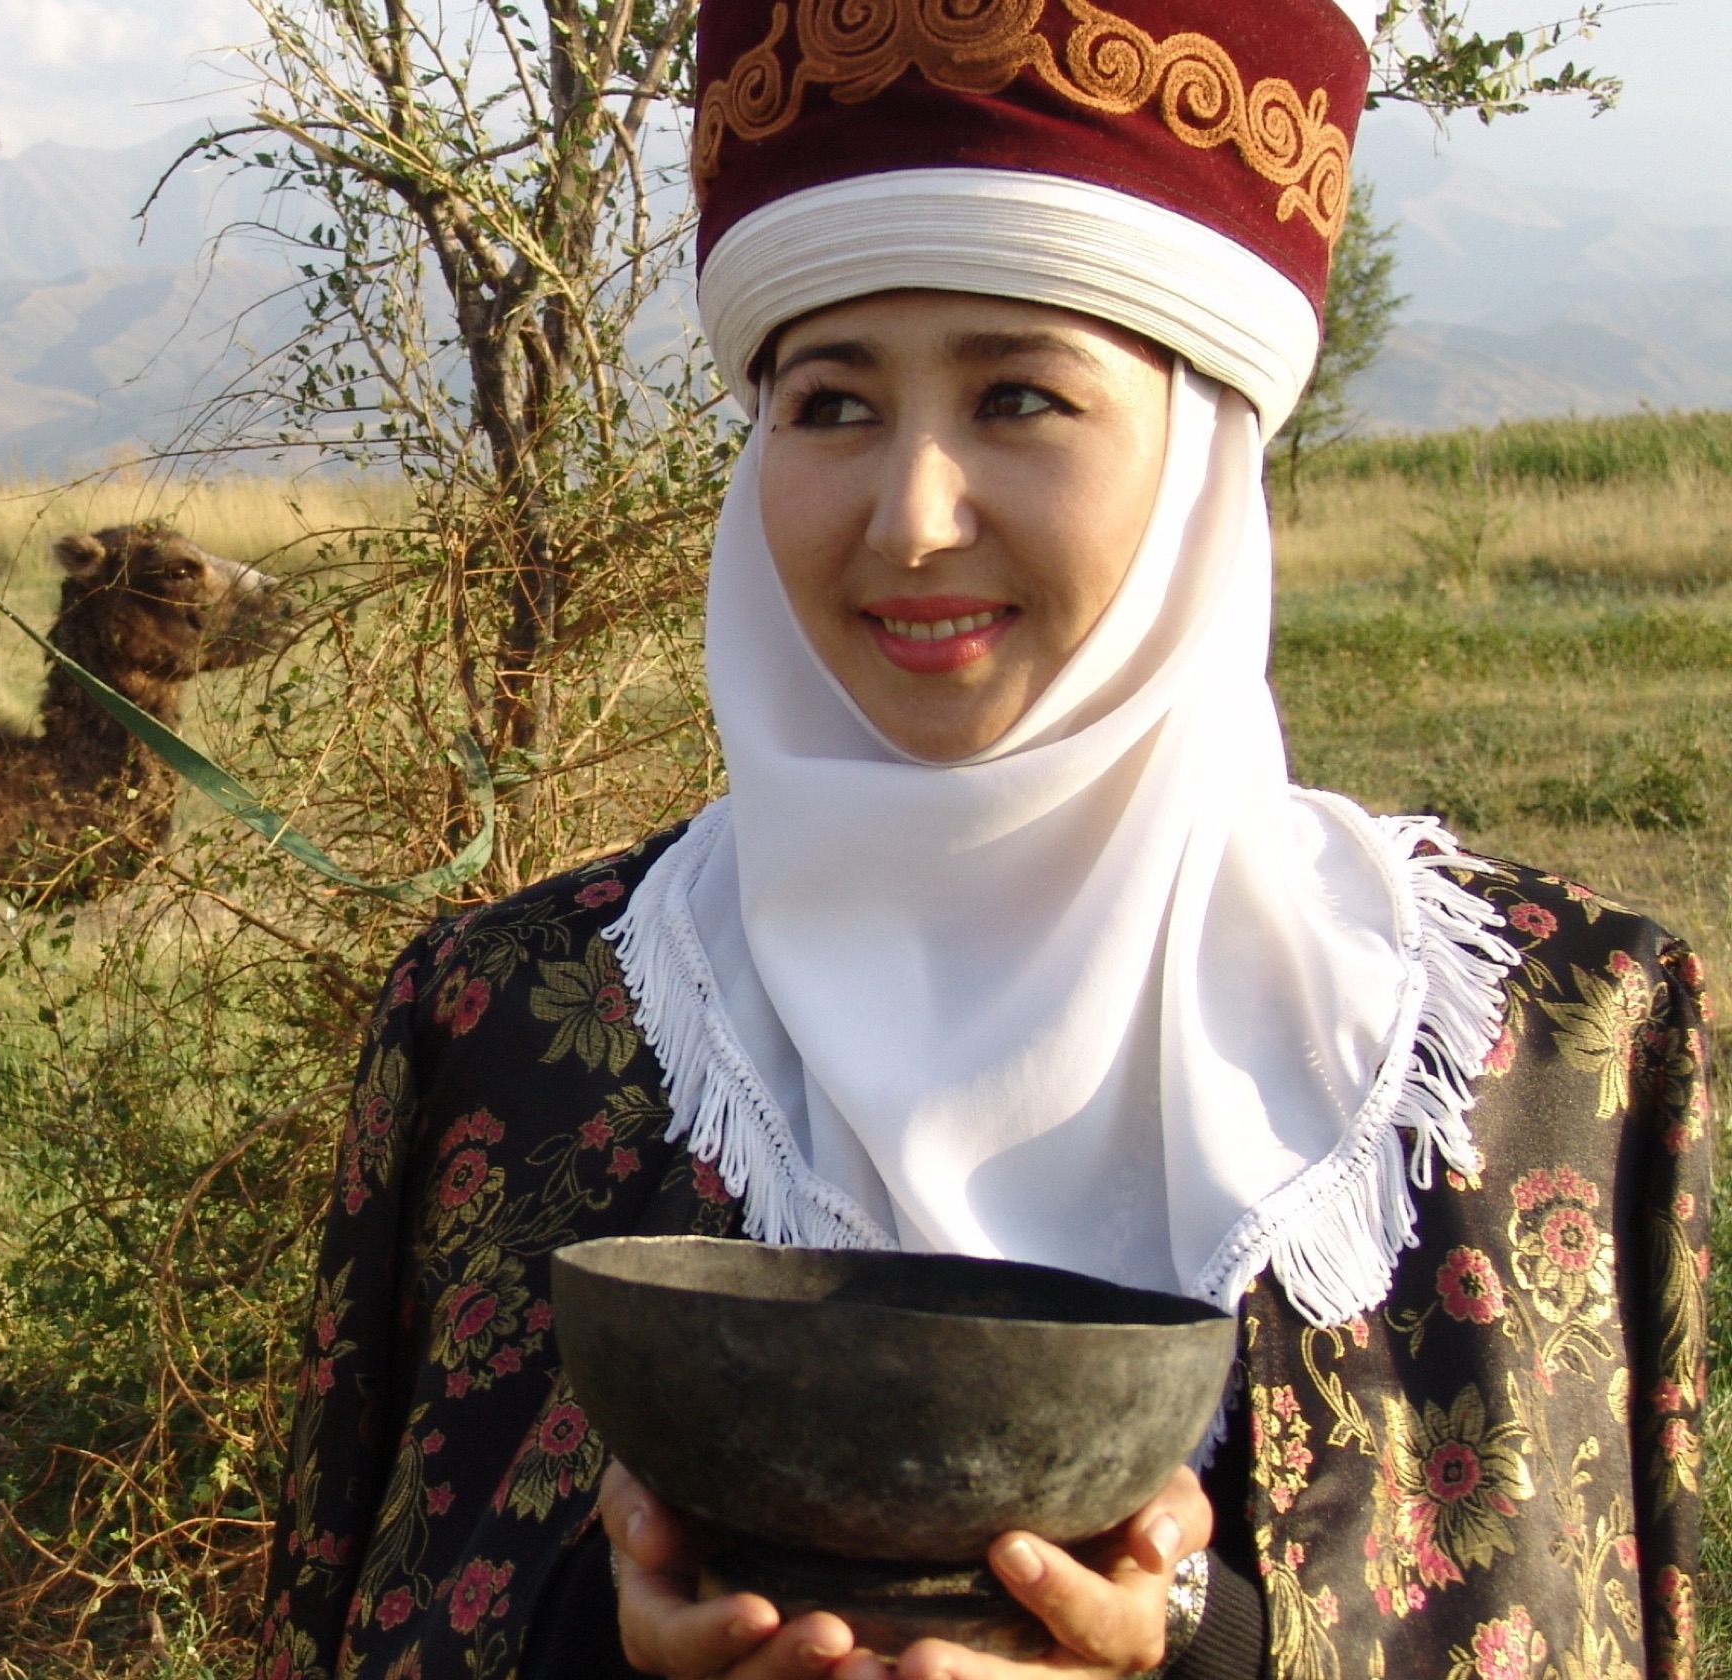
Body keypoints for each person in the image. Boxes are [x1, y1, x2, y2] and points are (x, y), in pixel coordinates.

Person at [255, 2, 1713, 1677]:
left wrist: (1198, 1644)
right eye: (830, 405)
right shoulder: (511, 1025)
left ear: (1203, 454)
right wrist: (620, 1634)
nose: (913, 516)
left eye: (1019, 395)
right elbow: (378, 1612)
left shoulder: (1543, 1042)